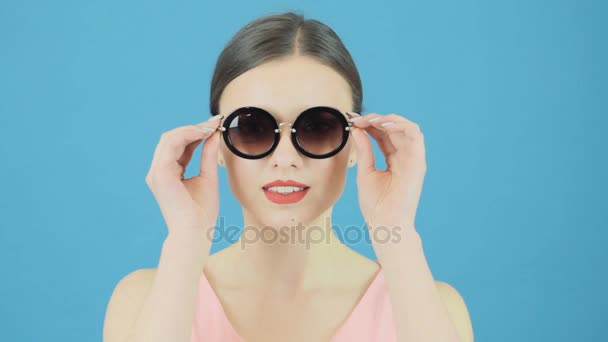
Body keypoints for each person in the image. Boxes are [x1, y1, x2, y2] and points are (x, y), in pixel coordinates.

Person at [103, 11, 474, 342]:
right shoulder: (142, 300)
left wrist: (397, 231)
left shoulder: (432, 306)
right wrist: (186, 240)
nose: (285, 159)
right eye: (252, 127)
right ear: (216, 144)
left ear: (356, 143)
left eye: (318, 127)